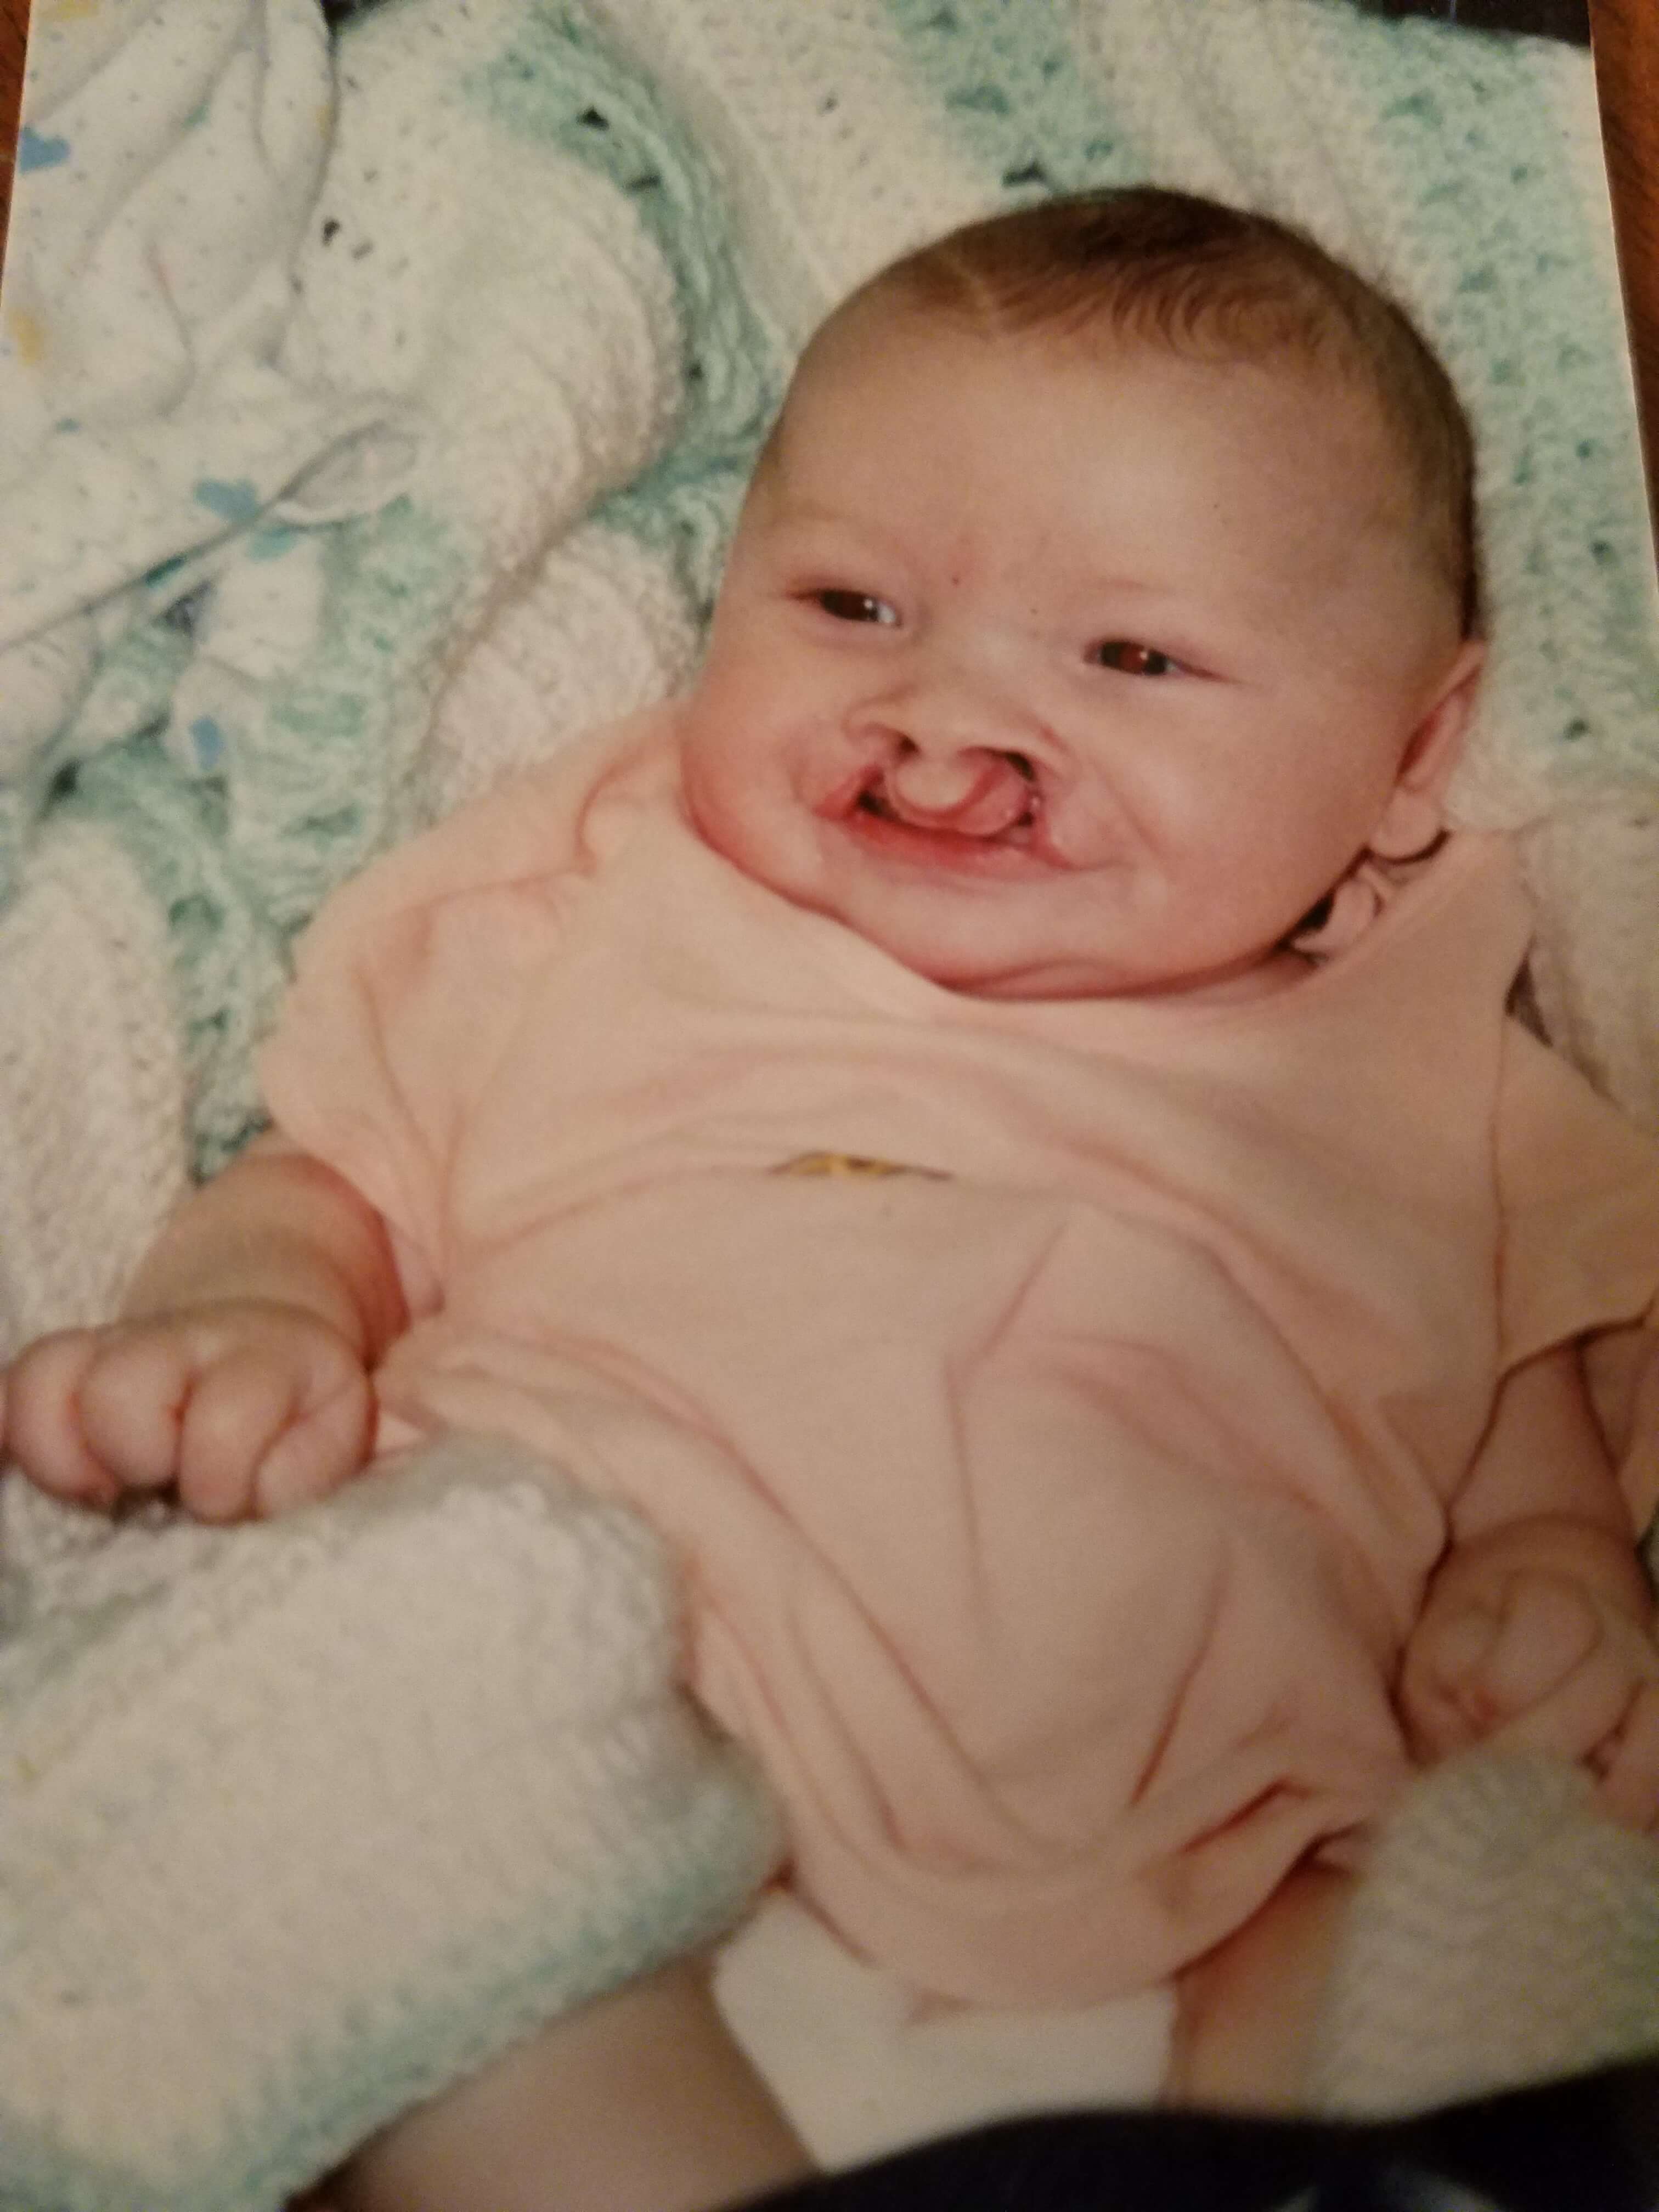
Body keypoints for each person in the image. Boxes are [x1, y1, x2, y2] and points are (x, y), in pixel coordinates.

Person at [6, 187, 1659, 2212]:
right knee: (372, 1803)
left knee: (1460, 1901)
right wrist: (251, 1312)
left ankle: (1346, 2145)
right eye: (853, 609)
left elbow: (1519, 1381)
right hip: (566, 1788)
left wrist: (1553, 1568)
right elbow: (332, 1169)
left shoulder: (1442, 1054)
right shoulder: (603, 884)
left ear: (1416, 755)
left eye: (1133, 654)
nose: (951, 713)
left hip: (1200, 1864)